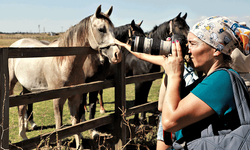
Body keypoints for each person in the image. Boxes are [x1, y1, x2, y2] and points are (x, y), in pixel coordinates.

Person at [115, 16, 250, 149]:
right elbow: (163, 106)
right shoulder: (206, 80)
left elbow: (169, 122)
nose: (188, 50)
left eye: (192, 43)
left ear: (216, 50)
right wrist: (169, 70)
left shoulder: (222, 79)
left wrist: (175, 76)